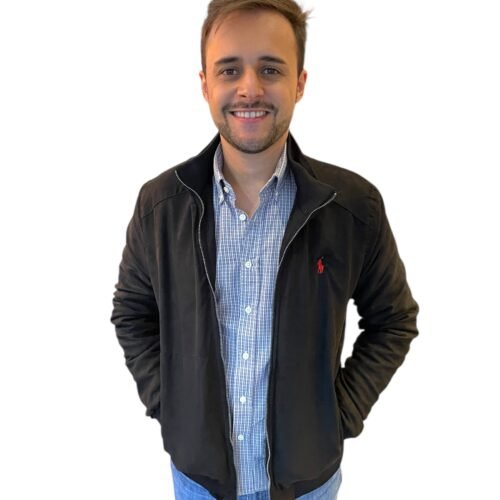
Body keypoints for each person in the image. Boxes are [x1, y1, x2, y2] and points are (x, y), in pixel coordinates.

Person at [110, 0, 419, 498]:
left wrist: (339, 414)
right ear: (205, 84)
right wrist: (172, 406)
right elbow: (132, 313)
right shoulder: (160, 206)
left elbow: (394, 320)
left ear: (299, 82)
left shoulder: (352, 207)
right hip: (198, 482)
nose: (249, 88)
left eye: (270, 69)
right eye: (229, 69)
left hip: (308, 484)